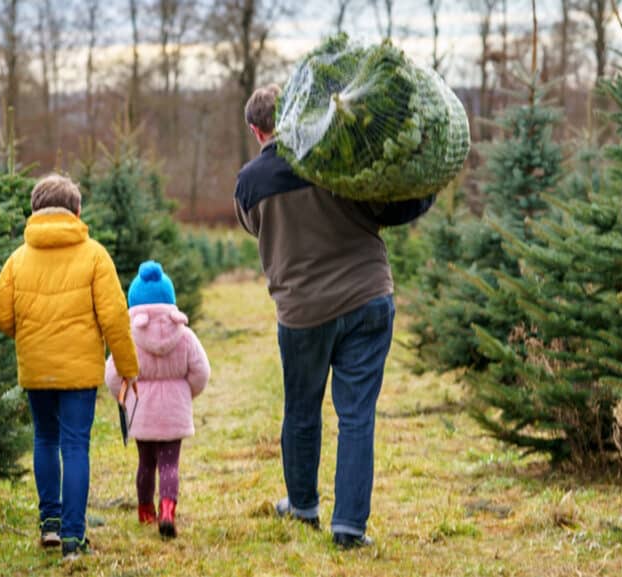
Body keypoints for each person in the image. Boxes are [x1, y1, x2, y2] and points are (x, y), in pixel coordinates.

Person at [233, 85, 436, 549]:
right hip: (367, 297)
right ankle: (349, 528)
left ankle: (303, 506)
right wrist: (427, 191)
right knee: (357, 415)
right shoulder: (334, 158)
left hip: (303, 312)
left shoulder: (249, 182)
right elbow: (393, 207)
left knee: (302, 409)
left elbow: (254, 227)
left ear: (255, 130)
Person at [0, 174, 139, 561]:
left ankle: (49, 524)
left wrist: (28, 335)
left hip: (36, 368)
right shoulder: (93, 255)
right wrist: (127, 368)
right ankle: (74, 539)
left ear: (35, 211)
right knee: (75, 445)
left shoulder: (19, 258)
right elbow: (115, 317)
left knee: (45, 439)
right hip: (78, 373)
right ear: (76, 211)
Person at [105, 261, 210, 540]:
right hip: (174, 411)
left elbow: (113, 375)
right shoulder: (185, 335)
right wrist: (186, 393)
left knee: (146, 463)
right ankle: (167, 510)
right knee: (169, 464)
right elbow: (201, 371)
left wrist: (126, 398)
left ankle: (145, 511)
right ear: (170, 298)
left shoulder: (129, 337)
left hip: (142, 411)